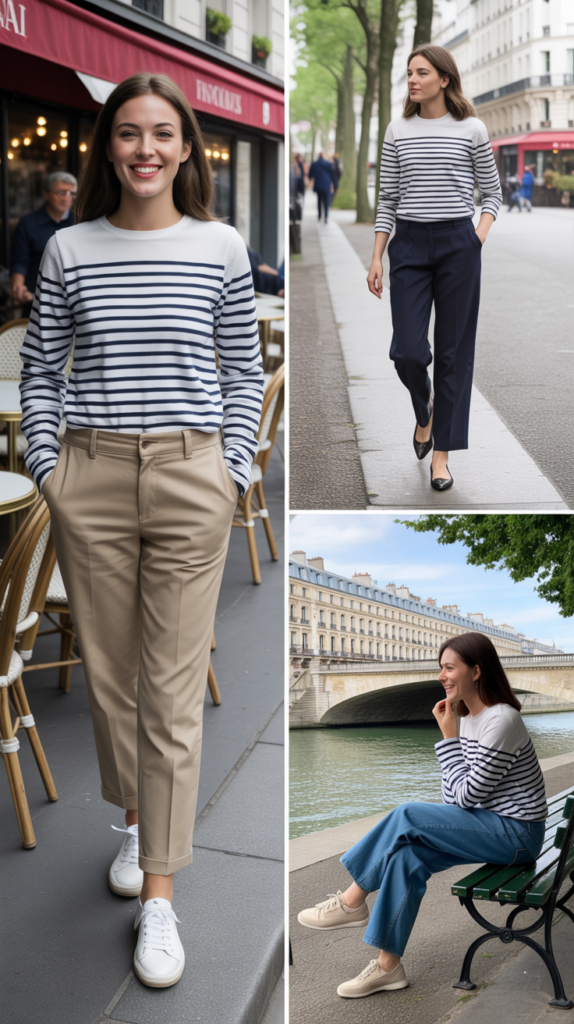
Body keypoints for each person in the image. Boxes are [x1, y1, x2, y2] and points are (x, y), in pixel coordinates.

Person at [19, 73, 263, 988]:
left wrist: (233, 470)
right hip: (92, 473)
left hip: (194, 475)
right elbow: (41, 371)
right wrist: (52, 471)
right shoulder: (70, 248)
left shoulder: (222, 246)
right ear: (107, 146)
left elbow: (243, 369)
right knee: (114, 684)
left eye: (164, 133)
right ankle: (136, 823)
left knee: (168, 693)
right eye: (130, 134)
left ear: (189, 147)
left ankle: (160, 895)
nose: (147, 149)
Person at [297, 632, 547, 999]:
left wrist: (449, 740)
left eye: (450, 668)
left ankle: (352, 900)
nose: (442, 676)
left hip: (517, 835)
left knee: (407, 814)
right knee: (406, 856)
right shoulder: (472, 718)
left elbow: (465, 798)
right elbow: (455, 797)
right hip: (493, 827)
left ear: (476, 671)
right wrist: (453, 736)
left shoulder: (501, 720)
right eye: (440, 669)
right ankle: (387, 967)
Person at [367, 45, 502, 492]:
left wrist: (474, 240)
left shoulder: (472, 129)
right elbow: (387, 199)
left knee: (452, 355)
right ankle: (423, 411)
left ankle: (440, 456)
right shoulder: (397, 130)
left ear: (444, 78)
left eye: (421, 72)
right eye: (408, 73)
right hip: (407, 245)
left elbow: (492, 195)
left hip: (457, 245)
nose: (412, 80)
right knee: (407, 351)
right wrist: (376, 257)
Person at [10, 171, 77, 315]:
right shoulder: (27, 223)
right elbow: (20, 261)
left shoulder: (81, 223)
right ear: (46, 194)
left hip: (75, 302)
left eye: (71, 193)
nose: (66, 198)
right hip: (35, 301)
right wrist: (18, 286)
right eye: (61, 192)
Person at [308, 151, 335, 223]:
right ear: (324, 156)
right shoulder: (328, 164)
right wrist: (332, 185)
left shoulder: (314, 164)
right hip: (326, 185)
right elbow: (332, 174)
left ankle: (319, 216)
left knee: (319, 201)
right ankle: (326, 216)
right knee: (326, 201)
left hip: (318, 185)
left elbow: (310, 175)